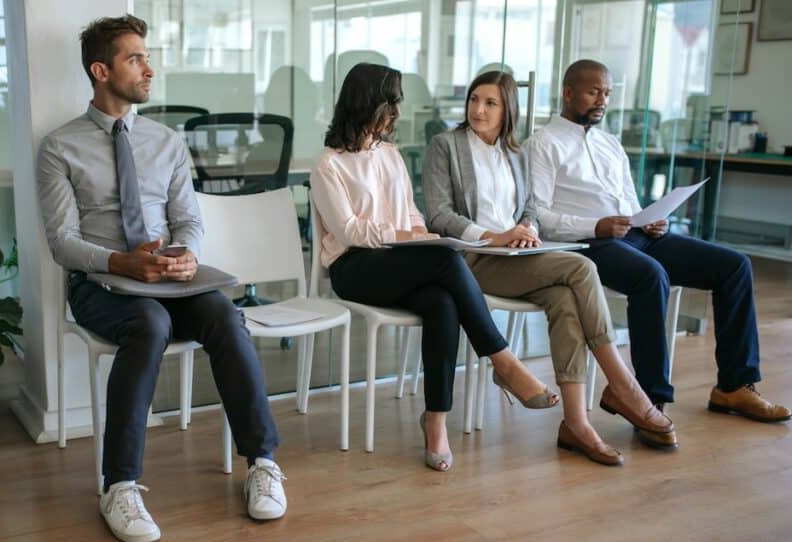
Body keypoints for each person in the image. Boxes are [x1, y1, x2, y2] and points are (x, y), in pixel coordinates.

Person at [37, 15, 287, 542]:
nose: (149, 69)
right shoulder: (59, 148)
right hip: (100, 286)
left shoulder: (166, 142)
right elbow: (62, 242)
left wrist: (187, 257)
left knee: (223, 312)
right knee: (148, 323)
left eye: (147, 57)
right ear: (101, 71)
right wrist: (121, 263)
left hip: (169, 281)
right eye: (135, 59)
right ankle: (119, 485)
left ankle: (262, 462)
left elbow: (188, 220)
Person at [311, 62, 558, 473]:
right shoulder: (329, 164)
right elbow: (350, 231)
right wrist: (408, 238)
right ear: (367, 104)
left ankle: (436, 422)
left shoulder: (390, 156)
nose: (396, 113)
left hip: (397, 260)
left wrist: (421, 235)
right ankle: (504, 362)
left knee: (442, 301)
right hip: (354, 268)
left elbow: (411, 215)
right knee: (444, 260)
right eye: (390, 104)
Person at [423, 70, 675, 464]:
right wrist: (494, 236)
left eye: (490, 103)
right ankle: (623, 384)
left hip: (516, 257)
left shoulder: (516, 153)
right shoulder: (446, 145)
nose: (478, 109)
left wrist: (526, 230)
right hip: (471, 260)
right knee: (579, 268)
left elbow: (530, 208)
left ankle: (576, 423)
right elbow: (438, 214)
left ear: (508, 110)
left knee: (565, 301)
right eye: (474, 100)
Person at [527, 59, 789, 424]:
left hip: (635, 234)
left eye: (607, 93)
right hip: (587, 243)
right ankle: (649, 398)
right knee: (651, 276)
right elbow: (538, 216)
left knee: (734, 266)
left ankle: (734, 386)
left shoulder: (610, 144)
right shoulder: (542, 145)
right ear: (568, 92)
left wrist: (650, 218)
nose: (602, 100)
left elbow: (629, 202)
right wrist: (597, 225)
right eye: (593, 92)